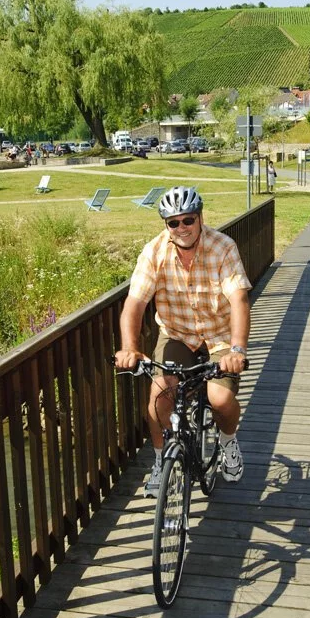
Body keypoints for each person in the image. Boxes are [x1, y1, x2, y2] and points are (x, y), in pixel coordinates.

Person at [114, 187, 252, 496]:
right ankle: (163, 459)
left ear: (200, 217)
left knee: (219, 399)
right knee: (159, 396)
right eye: (173, 223)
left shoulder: (223, 248)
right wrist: (129, 348)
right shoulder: (154, 252)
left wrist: (237, 350)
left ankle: (228, 440)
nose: (181, 228)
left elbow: (240, 299)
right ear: (165, 225)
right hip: (177, 333)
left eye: (188, 220)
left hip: (219, 337)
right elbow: (134, 305)